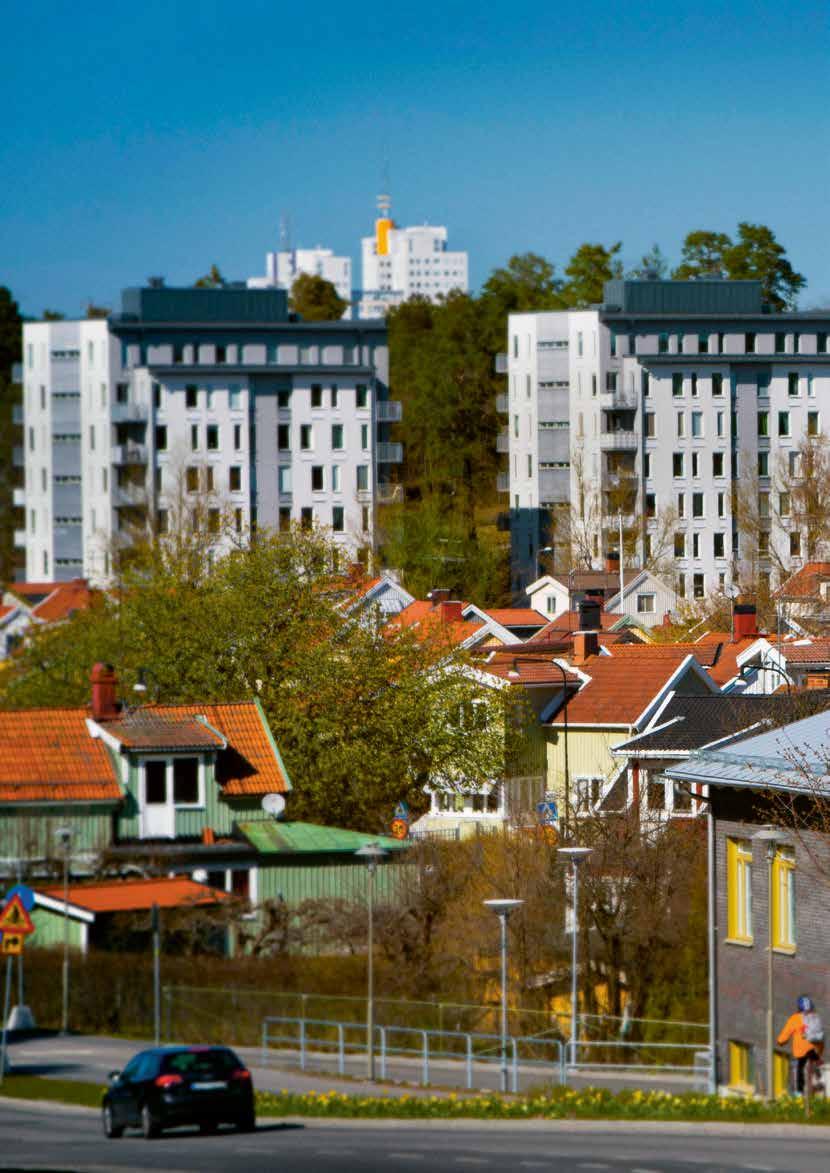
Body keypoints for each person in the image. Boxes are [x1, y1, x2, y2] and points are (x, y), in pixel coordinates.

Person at [777, 996, 824, 1095]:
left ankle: (799, 1094)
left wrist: (780, 1041)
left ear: (799, 1008)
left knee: (798, 1074)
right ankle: (816, 1092)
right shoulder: (816, 1018)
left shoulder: (795, 1018)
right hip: (815, 1055)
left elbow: (784, 1036)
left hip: (800, 1054)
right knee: (813, 1076)